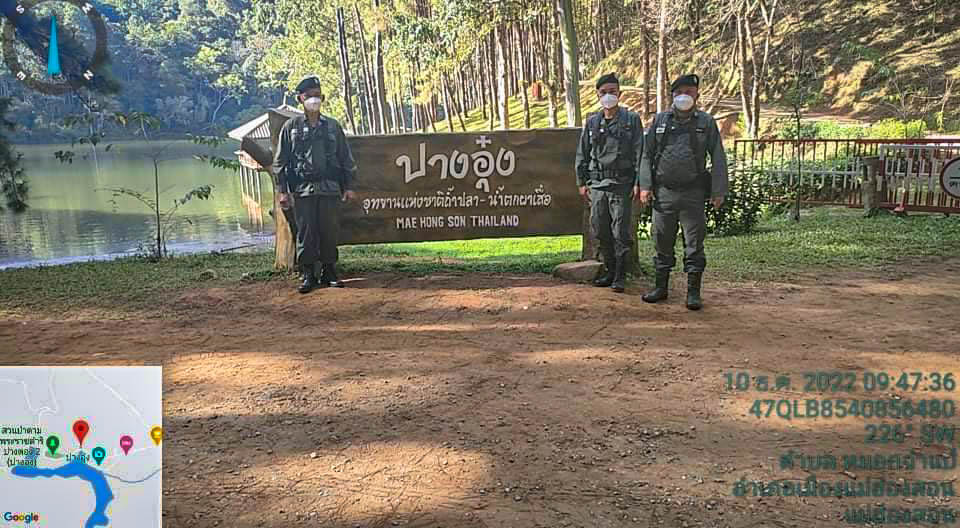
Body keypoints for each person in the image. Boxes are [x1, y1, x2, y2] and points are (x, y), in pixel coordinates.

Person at [635, 73, 728, 310]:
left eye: (689, 92)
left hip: (693, 194)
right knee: (661, 241)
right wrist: (645, 185)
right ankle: (660, 288)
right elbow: (646, 154)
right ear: (672, 96)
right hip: (663, 193)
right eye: (679, 93)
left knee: (694, 243)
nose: (683, 96)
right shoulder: (660, 121)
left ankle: (693, 293)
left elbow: (718, 156)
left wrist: (718, 190)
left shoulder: (706, 122)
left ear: (697, 95)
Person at [273, 76, 358, 294]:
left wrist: (348, 186)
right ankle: (308, 274)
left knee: (329, 231)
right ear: (300, 99)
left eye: (317, 95)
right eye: (309, 95)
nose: (314, 99)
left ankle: (330, 272)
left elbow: (345, 157)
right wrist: (282, 191)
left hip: (330, 188)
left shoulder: (333, 127)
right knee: (306, 233)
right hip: (302, 190)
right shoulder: (290, 127)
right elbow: (280, 162)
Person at [575, 72, 645, 293]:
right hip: (597, 185)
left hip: (621, 184)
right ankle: (609, 270)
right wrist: (581, 181)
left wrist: (639, 182)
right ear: (597, 95)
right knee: (600, 229)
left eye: (612, 92)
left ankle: (620, 276)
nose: (608, 96)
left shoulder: (631, 120)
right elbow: (582, 153)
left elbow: (640, 152)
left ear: (619, 93)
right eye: (604, 92)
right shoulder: (592, 122)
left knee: (621, 232)